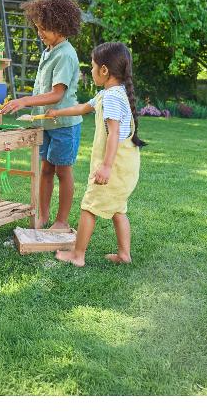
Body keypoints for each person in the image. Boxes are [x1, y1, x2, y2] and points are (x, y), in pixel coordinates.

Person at [46, 42, 146, 267]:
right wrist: (57, 112)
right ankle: (124, 254)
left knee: (89, 207)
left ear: (104, 70)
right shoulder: (110, 94)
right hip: (127, 166)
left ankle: (77, 255)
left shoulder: (111, 97)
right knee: (118, 209)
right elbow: (83, 107)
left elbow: (114, 133)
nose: (90, 71)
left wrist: (107, 166)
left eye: (92, 67)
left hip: (116, 166)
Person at [0, 0, 83, 231]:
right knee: (46, 169)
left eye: (44, 28)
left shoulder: (65, 54)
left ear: (61, 26)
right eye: (38, 27)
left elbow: (56, 95)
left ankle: (62, 221)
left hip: (64, 124)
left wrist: (25, 100)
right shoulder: (49, 50)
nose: (40, 32)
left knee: (63, 171)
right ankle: (43, 216)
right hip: (45, 123)